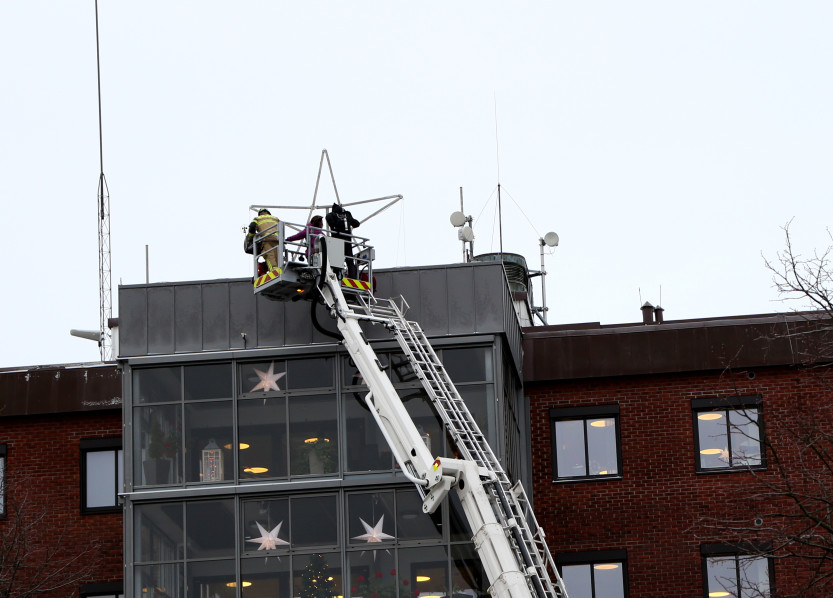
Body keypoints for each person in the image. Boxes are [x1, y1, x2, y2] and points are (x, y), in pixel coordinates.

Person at [325, 203, 361, 278]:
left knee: (336, 262)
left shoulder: (331, 215)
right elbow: (357, 224)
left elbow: (330, 223)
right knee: (350, 261)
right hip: (347, 241)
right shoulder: (347, 215)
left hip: (337, 241)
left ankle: (336, 278)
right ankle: (352, 278)